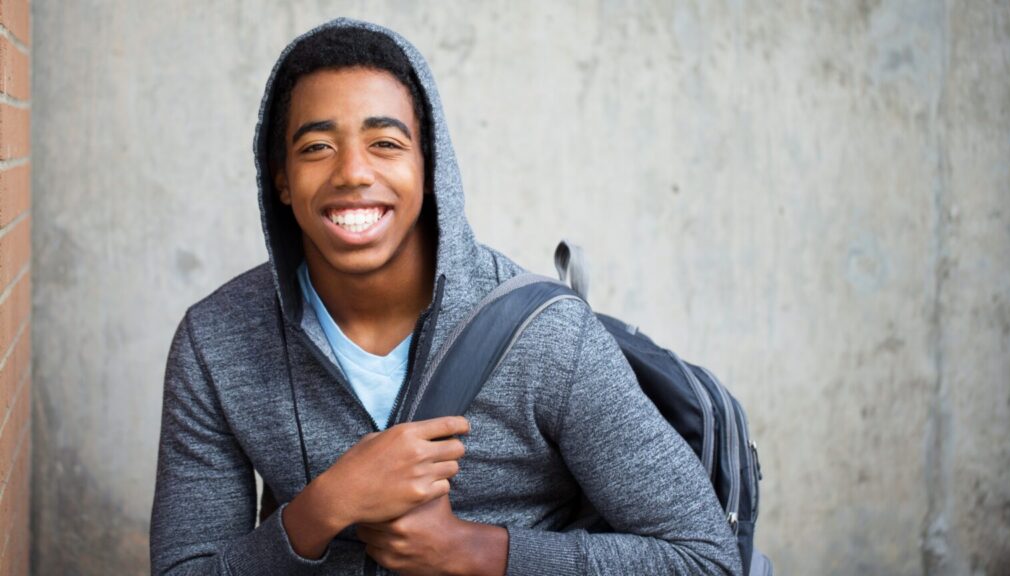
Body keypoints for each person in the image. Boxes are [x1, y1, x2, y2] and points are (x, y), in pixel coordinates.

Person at [150, 17, 741, 576]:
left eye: (385, 143)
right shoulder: (216, 342)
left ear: (429, 166)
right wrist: (320, 510)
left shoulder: (548, 337)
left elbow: (705, 560)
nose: (353, 172)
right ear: (280, 178)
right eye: (316, 148)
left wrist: (479, 551)